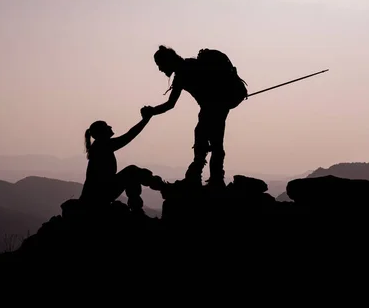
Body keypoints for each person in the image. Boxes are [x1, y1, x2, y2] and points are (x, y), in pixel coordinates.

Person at [142, 45, 247, 189]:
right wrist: (152, 111)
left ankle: (203, 178)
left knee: (208, 141)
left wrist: (152, 111)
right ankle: (209, 178)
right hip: (216, 105)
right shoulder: (185, 70)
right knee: (210, 141)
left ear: (168, 61)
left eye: (160, 65)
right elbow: (171, 104)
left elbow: (170, 104)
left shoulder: (185, 71)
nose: (160, 69)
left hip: (214, 105)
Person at [80, 108, 165, 212]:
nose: (110, 127)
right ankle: (163, 188)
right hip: (100, 195)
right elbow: (129, 136)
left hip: (98, 194)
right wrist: (145, 120)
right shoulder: (102, 146)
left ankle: (137, 209)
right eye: (107, 126)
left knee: (131, 173)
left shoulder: (99, 146)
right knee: (132, 171)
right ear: (102, 133)